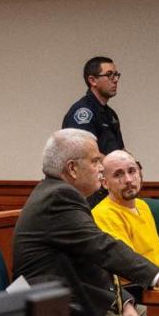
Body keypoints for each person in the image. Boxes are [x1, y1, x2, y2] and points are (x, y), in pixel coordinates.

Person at [12, 129, 159, 316]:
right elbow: (105, 249)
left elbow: (96, 258)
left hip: (90, 305)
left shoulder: (58, 193)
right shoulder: (58, 198)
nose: (101, 168)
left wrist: (126, 301)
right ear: (72, 169)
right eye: (95, 161)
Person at [91, 150, 159, 274]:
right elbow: (130, 266)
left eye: (132, 171)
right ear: (105, 183)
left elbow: (158, 256)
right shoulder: (103, 214)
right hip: (139, 288)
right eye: (118, 175)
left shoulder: (142, 205)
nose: (128, 180)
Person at [62, 56, 125, 206]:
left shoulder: (111, 114)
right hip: (89, 191)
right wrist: (119, 167)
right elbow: (85, 154)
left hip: (109, 186)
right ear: (92, 80)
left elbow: (119, 150)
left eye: (116, 75)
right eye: (109, 75)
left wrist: (132, 166)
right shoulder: (82, 112)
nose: (115, 79)